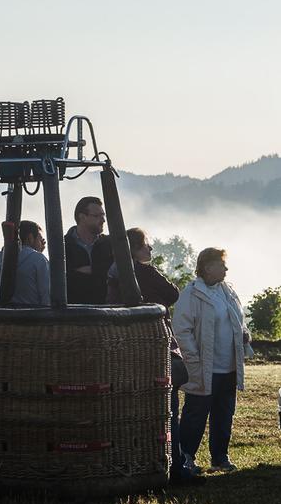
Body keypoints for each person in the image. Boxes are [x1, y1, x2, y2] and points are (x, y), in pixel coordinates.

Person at [107, 228, 197, 483]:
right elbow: (173, 294)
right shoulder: (147, 272)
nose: (150, 250)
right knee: (169, 412)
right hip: (156, 345)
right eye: (146, 245)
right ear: (135, 249)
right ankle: (176, 466)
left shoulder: (113, 274)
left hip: (126, 346)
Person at [173, 247, 252, 474]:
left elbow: (240, 321)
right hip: (204, 367)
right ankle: (186, 457)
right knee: (195, 414)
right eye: (221, 264)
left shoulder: (228, 292)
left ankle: (220, 457)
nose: (226, 269)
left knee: (224, 414)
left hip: (229, 366)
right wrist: (193, 359)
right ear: (208, 267)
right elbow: (182, 329)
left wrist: (245, 334)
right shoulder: (191, 293)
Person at [64, 197, 112, 304]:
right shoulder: (63, 245)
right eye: (97, 216)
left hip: (107, 309)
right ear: (82, 217)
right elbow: (62, 276)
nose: (103, 220)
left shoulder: (109, 244)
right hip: (74, 311)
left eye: (103, 215)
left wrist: (93, 270)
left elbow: (116, 271)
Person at [0, 220, 50, 306]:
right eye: (40, 240)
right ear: (30, 238)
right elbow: (47, 296)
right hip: (33, 316)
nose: (42, 244)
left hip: (3, 316)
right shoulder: (39, 260)